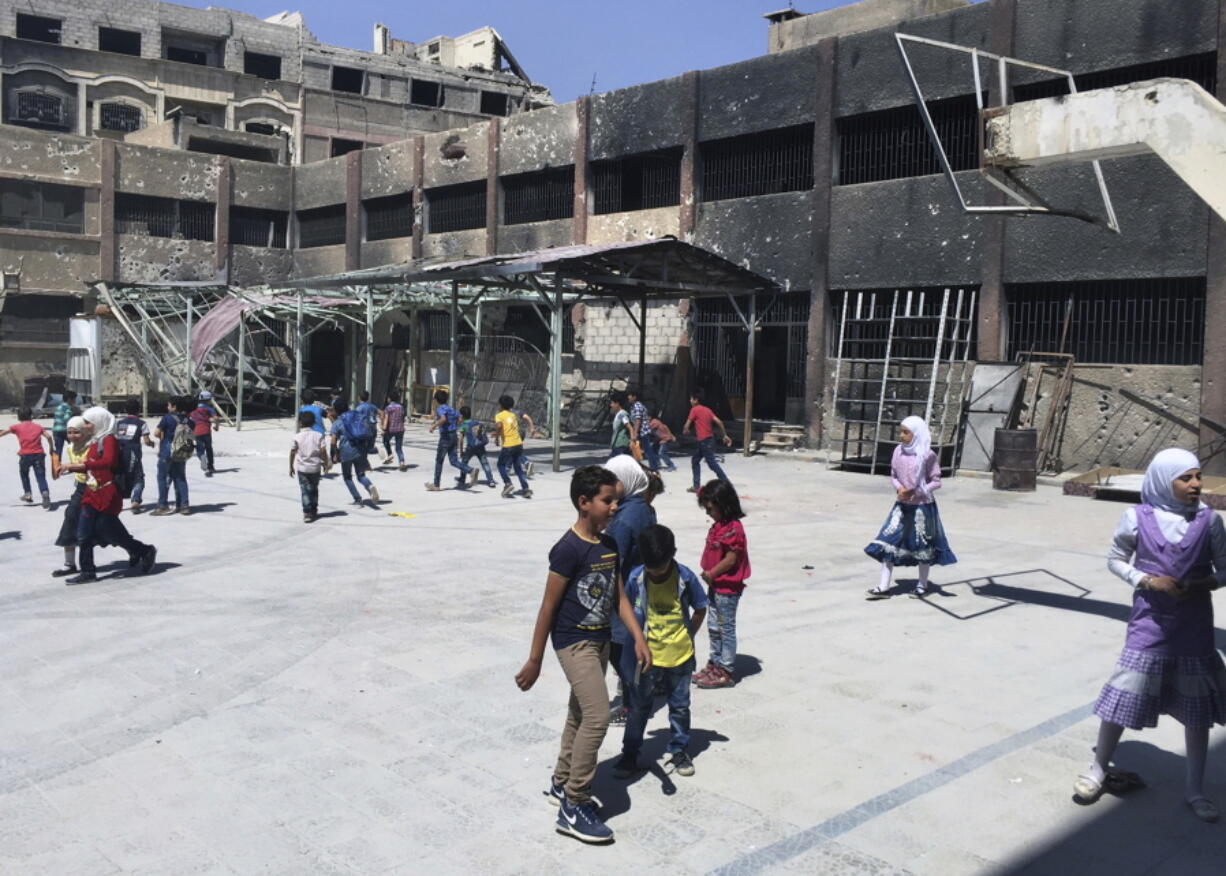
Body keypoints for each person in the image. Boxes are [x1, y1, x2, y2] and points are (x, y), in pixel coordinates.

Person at [1072, 448, 1226, 822]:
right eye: (1185, 478)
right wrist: (1146, 580)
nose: (1196, 484)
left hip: (1193, 628)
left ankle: (1195, 789)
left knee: (1196, 710)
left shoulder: (1210, 522)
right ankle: (1097, 769)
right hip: (1149, 624)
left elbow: (1225, 570)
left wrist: (1203, 581)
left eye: (1197, 477)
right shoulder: (1136, 517)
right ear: (1162, 480)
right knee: (1125, 693)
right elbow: (1115, 560)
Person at [514, 465, 651, 845]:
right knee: (597, 715)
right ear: (584, 502)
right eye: (608, 501)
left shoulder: (609, 546)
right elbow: (547, 607)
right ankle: (574, 804)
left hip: (602, 640)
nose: (614, 508)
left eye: (616, 501)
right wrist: (535, 659)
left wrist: (638, 637)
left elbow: (620, 597)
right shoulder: (568, 550)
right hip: (573, 642)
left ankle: (561, 781)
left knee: (579, 713)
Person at [613, 524, 709, 779]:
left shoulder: (686, 578)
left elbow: (700, 607)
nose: (656, 573)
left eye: (661, 568)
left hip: (680, 657)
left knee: (679, 706)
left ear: (673, 554)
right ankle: (630, 753)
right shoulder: (636, 578)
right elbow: (629, 612)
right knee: (638, 707)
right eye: (651, 567)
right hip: (647, 660)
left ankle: (679, 750)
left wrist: (688, 635)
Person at [59, 406, 156, 585]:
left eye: (88, 422)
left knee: (112, 533)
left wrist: (82, 466)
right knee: (84, 533)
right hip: (92, 492)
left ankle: (144, 551)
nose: (86, 426)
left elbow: (109, 462)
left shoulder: (109, 439)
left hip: (106, 493)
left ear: (99, 422)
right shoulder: (97, 440)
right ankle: (88, 571)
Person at [864, 416, 957, 600]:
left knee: (923, 545)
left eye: (906, 432)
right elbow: (893, 475)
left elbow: (936, 481)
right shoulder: (898, 451)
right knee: (888, 541)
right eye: (901, 431)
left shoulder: (927, 455)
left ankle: (922, 585)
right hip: (902, 506)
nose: (902, 436)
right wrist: (900, 489)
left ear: (917, 434)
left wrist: (918, 491)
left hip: (923, 507)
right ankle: (884, 587)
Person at [604, 455, 658, 723]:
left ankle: (631, 704)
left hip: (624, 593)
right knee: (629, 646)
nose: (610, 486)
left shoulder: (626, 518)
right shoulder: (641, 506)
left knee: (621, 651)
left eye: (614, 481)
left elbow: (613, 561)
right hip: (639, 588)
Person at [694, 479, 751, 690]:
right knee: (713, 627)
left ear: (723, 504)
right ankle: (715, 661)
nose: (708, 513)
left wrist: (712, 573)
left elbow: (731, 558)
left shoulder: (734, 529)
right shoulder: (719, 526)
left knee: (725, 628)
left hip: (727, 588)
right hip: (716, 585)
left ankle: (725, 669)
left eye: (710, 508)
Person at [51, 416, 90, 577]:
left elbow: (90, 467)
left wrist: (71, 467)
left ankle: (140, 550)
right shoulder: (70, 448)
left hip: (95, 488)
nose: (72, 436)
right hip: (81, 488)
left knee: (107, 526)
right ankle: (69, 564)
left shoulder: (92, 446)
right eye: (70, 432)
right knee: (70, 517)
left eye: (77, 432)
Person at [331, 398, 380, 507]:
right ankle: (369, 486)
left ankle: (358, 499)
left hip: (346, 452)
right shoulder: (357, 417)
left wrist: (335, 453)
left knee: (347, 477)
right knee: (361, 475)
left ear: (337, 410)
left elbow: (333, 441)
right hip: (360, 450)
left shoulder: (338, 423)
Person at [1, 406, 54, 508]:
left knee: (24, 473)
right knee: (40, 476)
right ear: (31, 416)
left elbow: (3, 433)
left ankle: (28, 493)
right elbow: (48, 436)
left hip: (25, 455)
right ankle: (45, 492)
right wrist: (51, 448)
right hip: (39, 455)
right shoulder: (38, 426)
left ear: (19, 417)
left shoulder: (16, 427)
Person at [683, 391, 732, 493]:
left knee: (712, 463)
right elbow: (719, 421)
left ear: (696, 400)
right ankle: (696, 486)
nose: (690, 401)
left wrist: (686, 429)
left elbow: (688, 423)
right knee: (695, 460)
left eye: (691, 399)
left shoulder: (694, 409)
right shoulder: (708, 410)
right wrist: (725, 435)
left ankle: (726, 483)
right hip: (709, 440)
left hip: (704, 441)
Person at [426, 389, 472, 492]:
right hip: (453, 436)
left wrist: (433, 426)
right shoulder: (451, 409)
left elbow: (443, 419)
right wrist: (454, 425)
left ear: (436, 400)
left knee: (439, 460)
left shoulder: (440, 409)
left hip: (445, 437)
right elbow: (460, 418)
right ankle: (471, 470)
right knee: (454, 460)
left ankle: (436, 484)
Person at [151, 397, 191, 516]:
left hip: (167, 451)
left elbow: (156, 433)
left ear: (174, 407)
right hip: (182, 451)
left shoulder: (167, 418)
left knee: (162, 478)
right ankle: (184, 505)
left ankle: (163, 505)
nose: (167, 407)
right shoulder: (188, 419)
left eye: (169, 405)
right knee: (180, 478)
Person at [115, 398, 154, 514]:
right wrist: (152, 444)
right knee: (138, 477)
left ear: (126, 410)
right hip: (134, 452)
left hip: (120, 452)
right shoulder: (142, 423)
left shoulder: (119, 423)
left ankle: (117, 500)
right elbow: (146, 441)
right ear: (139, 410)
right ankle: (136, 500)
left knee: (121, 475)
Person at [290, 410, 326, 523]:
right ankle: (314, 509)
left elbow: (292, 451)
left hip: (302, 468)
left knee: (305, 490)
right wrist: (325, 462)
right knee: (314, 488)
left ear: (300, 423)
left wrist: (290, 466)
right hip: (315, 467)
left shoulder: (297, 437)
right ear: (314, 423)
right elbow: (323, 450)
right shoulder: (319, 436)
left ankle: (307, 512)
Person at [494, 394, 532, 499]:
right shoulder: (513, 415)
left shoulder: (499, 415)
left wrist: (496, 437)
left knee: (500, 464)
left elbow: (499, 426)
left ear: (501, 405)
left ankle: (507, 483)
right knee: (518, 467)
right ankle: (525, 489)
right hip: (518, 444)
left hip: (508, 444)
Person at [459, 406, 496, 488]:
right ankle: (491, 480)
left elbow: (461, 439)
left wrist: (461, 451)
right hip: (480, 446)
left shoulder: (464, 425)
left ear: (462, 416)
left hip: (470, 447)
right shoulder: (476, 422)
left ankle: (462, 479)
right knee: (485, 463)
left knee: (463, 463)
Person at [189, 392, 221, 476]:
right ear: (208, 400)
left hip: (196, 431)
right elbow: (217, 418)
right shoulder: (209, 409)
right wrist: (217, 427)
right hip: (206, 431)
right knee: (209, 448)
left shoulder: (193, 409)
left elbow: (189, 418)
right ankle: (211, 466)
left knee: (200, 449)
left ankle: (202, 458)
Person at [380, 393, 407, 471]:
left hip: (390, 429)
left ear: (390, 399)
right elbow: (403, 418)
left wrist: (384, 429)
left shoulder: (388, 408)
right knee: (399, 448)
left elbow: (386, 419)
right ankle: (402, 463)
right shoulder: (401, 407)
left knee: (385, 440)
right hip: (400, 429)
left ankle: (389, 454)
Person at [627, 388, 652, 467]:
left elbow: (638, 420)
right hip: (641, 431)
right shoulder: (634, 406)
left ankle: (654, 466)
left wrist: (635, 433)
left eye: (630, 395)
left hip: (643, 431)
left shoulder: (637, 406)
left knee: (647, 450)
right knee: (638, 449)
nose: (628, 397)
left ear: (634, 397)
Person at [51, 389, 77, 458]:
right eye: (74, 399)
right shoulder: (68, 408)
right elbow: (66, 419)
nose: (75, 401)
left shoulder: (59, 407)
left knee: (58, 450)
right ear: (69, 399)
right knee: (74, 447)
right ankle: (75, 464)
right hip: (65, 430)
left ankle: (57, 467)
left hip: (56, 431)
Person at [609, 391, 633, 459]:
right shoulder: (618, 414)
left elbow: (630, 428)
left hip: (621, 444)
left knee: (613, 463)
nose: (611, 405)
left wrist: (632, 441)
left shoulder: (622, 414)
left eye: (612, 403)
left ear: (617, 404)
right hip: (617, 444)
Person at [355, 391, 381, 456]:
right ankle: (375, 450)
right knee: (369, 448)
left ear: (359, 398)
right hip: (373, 429)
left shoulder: (359, 408)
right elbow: (381, 413)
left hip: (364, 430)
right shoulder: (372, 406)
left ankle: (364, 463)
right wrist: (382, 424)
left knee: (362, 448)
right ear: (368, 398)